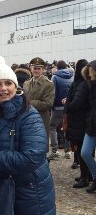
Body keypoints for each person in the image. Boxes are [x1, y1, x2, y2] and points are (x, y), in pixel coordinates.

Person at [0, 55, 56, 215]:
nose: (3, 88)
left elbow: (31, 158)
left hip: (31, 192)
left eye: (8, 83)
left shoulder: (28, 115)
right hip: (2, 191)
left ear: (16, 86)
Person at [63, 59, 91, 188]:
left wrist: (67, 106)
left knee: (81, 150)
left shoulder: (81, 84)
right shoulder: (82, 83)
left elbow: (76, 103)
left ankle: (85, 177)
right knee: (81, 150)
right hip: (82, 121)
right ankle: (86, 175)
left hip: (80, 121)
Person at [23, 57, 55, 150]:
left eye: (38, 68)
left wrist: (29, 103)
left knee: (41, 145)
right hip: (27, 118)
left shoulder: (48, 84)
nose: (36, 70)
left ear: (43, 70)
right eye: (34, 68)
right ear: (30, 68)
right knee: (28, 144)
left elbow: (48, 103)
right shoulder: (26, 83)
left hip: (41, 118)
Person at [48, 60, 74, 160]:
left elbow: (53, 93)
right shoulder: (72, 76)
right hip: (68, 106)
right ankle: (68, 151)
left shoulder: (55, 77)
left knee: (52, 127)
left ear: (57, 67)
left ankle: (54, 150)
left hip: (57, 107)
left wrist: (52, 106)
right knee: (66, 127)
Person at [80, 60, 96, 193]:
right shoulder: (89, 86)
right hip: (91, 124)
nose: (89, 76)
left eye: (91, 73)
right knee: (85, 152)